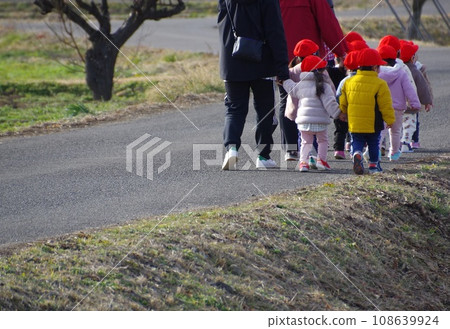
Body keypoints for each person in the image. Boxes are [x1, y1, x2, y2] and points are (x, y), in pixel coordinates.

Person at [218, 0, 289, 170]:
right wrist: (282, 69)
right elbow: (275, 32)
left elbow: (223, 27)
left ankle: (232, 148)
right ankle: (263, 156)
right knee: (264, 111)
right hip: (262, 62)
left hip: (232, 62)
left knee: (234, 109)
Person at [278, 0, 348, 161]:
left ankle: (291, 149)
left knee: (287, 100)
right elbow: (327, 22)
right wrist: (341, 51)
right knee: (317, 98)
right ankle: (315, 149)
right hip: (312, 59)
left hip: (283, 56)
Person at [339, 48, 395, 175]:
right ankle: (374, 166)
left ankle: (357, 153)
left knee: (357, 141)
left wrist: (343, 112)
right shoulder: (380, 83)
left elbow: (343, 100)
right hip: (373, 122)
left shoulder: (349, 82)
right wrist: (390, 120)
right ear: (375, 67)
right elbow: (385, 105)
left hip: (354, 121)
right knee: (373, 143)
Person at [283, 56, 343, 172]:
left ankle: (303, 163)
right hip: (320, 121)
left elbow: (290, 87)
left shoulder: (300, 85)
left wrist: (284, 80)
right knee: (323, 141)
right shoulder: (325, 86)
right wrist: (338, 114)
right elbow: (330, 103)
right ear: (322, 71)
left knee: (305, 142)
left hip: (303, 121)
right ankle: (321, 161)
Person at [377, 45, 421, 161]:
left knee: (380, 130)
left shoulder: (376, 74)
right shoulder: (401, 72)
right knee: (395, 132)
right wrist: (415, 104)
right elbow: (409, 89)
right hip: (397, 108)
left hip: (381, 107)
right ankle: (394, 153)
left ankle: (374, 151)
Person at [400, 41, 433, 152]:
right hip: (411, 105)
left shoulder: (396, 69)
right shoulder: (414, 70)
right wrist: (427, 101)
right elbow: (423, 87)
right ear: (412, 57)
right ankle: (408, 142)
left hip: (396, 105)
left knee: (398, 125)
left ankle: (397, 144)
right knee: (411, 125)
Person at [334, 50, 361, 159]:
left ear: (346, 67)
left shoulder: (344, 80)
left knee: (340, 130)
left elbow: (338, 95)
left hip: (344, 109)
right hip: (358, 109)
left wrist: (340, 109)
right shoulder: (362, 80)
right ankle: (353, 148)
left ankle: (339, 150)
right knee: (355, 131)